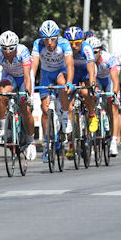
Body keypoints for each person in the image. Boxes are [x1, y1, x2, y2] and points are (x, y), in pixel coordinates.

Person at [0, 30, 37, 160]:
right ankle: (3, 130)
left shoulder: (22, 51)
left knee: (25, 107)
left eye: (11, 49)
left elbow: (27, 77)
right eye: (4, 49)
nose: (7, 52)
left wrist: (28, 95)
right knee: (2, 95)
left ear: (16, 47)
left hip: (24, 78)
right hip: (9, 76)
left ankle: (31, 141)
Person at [32, 20, 75, 162]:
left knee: (62, 83)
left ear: (57, 37)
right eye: (46, 39)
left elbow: (69, 65)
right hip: (46, 74)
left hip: (60, 72)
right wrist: (30, 83)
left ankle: (64, 116)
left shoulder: (64, 44)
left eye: (52, 39)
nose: (49, 43)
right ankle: (47, 145)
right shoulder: (38, 44)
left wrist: (69, 82)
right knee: (45, 110)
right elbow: (34, 65)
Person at [89, 36, 121, 156]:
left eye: (95, 52)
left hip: (108, 81)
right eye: (91, 52)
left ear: (101, 51)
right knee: (91, 99)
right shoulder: (87, 60)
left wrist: (114, 94)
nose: (93, 54)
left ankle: (113, 140)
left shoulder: (108, 59)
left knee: (113, 107)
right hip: (96, 80)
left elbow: (115, 79)